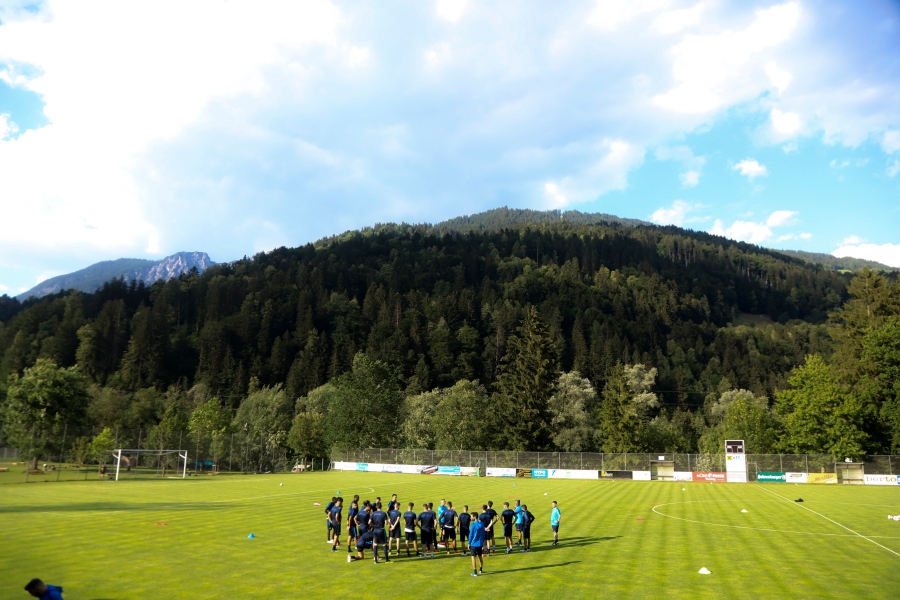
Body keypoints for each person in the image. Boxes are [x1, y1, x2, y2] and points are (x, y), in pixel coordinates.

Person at [467, 512, 486, 577]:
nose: (470, 518)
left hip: (473, 544)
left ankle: (475, 572)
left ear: (475, 517)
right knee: (480, 556)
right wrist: (482, 542)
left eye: (471, 516)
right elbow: (483, 534)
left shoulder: (473, 525)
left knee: (473, 557)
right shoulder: (482, 524)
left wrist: (469, 543)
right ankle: (480, 569)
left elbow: (471, 535)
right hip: (480, 543)